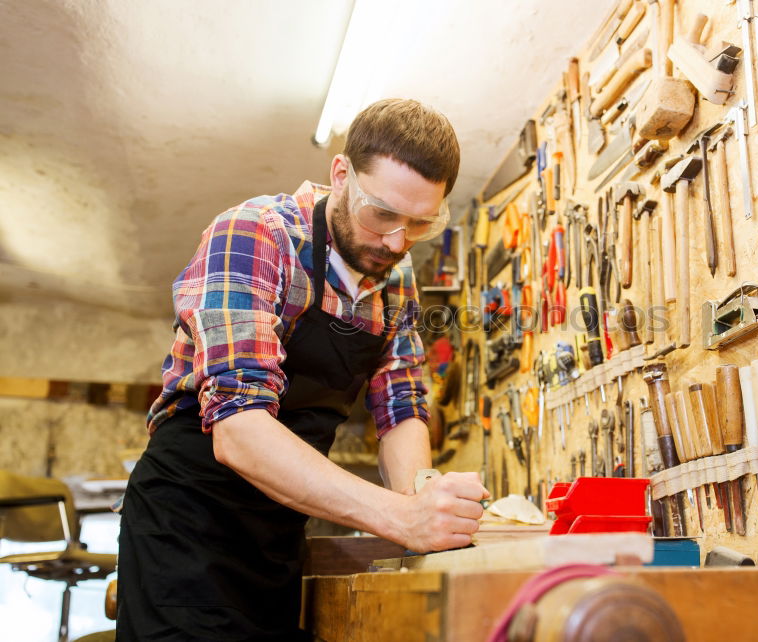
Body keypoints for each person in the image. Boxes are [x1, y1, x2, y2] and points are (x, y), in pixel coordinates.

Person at [116, 99, 490, 641]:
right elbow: (239, 431)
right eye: (382, 214)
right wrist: (398, 517)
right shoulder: (254, 235)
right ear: (341, 175)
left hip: (279, 528)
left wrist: (424, 505)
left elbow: (402, 405)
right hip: (188, 524)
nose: (396, 241)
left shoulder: (396, 273)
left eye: (419, 223)